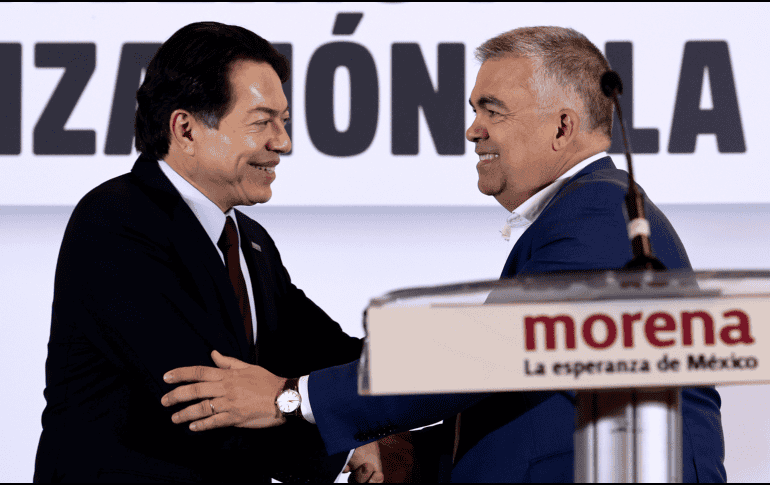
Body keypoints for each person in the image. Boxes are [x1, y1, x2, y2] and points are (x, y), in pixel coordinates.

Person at [160, 26, 726, 482]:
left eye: (492, 109)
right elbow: (520, 390)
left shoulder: (598, 217)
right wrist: (411, 452)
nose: (472, 129)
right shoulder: (584, 213)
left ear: (562, 127)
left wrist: (291, 398)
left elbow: (482, 354)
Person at [33, 21, 383, 483]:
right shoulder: (117, 222)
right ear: (186, 129)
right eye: (262, 121)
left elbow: (334, 354)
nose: (283, 142)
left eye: (284, 121)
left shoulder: (250, 242)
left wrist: (472, 355)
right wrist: (345, 446)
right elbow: (207, 408)